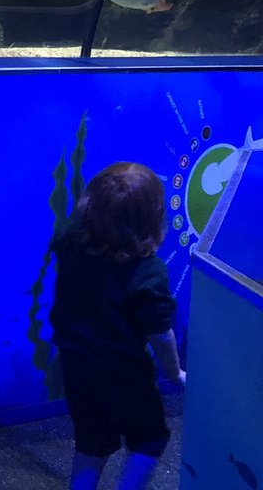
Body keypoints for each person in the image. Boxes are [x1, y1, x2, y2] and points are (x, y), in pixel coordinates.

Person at [50, 161, 185, 490]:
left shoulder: (70, 241)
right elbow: (160, 335)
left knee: (90, 448)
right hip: (126, 380)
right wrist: (174, 373)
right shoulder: (146, 274)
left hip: (77, 371)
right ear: (150, 220)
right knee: (149, 439)